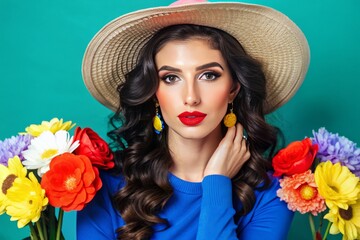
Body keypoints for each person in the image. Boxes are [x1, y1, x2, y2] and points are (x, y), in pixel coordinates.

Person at [77, 0, 310, 239]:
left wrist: (216, 183)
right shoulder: (103, 185)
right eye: (170, 78)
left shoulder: (273, 193)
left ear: (233, 88)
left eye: (208, 75)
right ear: (153, 93)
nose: (191, 97)